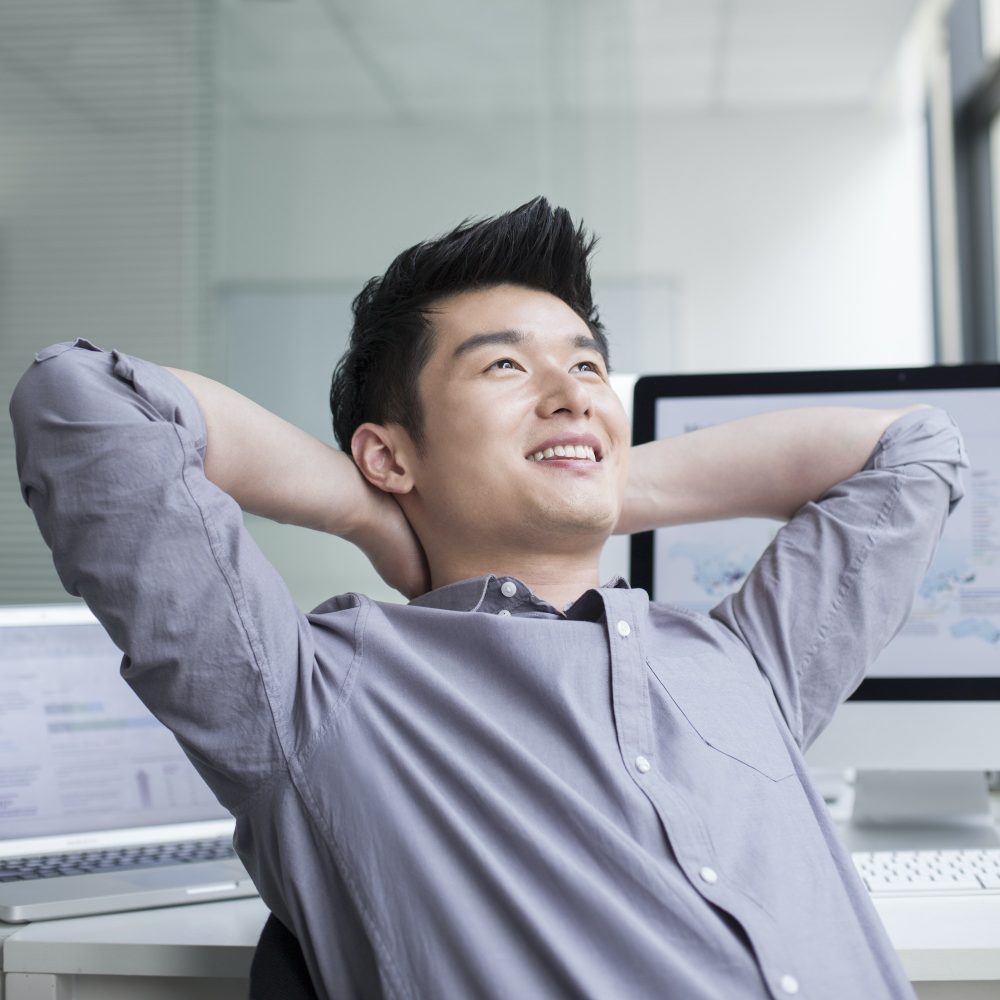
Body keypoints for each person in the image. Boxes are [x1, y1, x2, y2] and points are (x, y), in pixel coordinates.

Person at [10, 197, 965, 1000]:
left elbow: (916, 451)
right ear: (390, 453)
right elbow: (83, 400)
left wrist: (596, 477)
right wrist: (369, 511)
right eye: (506, 365)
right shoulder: (313, 699)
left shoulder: (746, 662)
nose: (573, 394)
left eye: (586, 367)